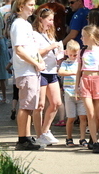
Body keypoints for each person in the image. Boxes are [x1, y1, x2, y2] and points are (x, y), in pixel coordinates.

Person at [10, 0, 45, 150]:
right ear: (21, 6)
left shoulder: (26, 24)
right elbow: (19, 50)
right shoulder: (18, 24)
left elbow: (31, 48)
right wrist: (35, 63)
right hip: (26, 71)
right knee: (25, 106)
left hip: (31, 70)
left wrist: (39, 60)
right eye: (30, 5)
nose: (33, 8)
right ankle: (22, 139)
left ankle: (26, 137)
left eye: (33, 4)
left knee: (30, 105)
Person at [32, 8, 63, 146]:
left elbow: (53, 52)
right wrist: (51, 47)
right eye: (49, 20)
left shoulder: (49, 34)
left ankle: (45, 131)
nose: (51, 23)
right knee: (40, 105)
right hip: (41, 71)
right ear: (41, 19)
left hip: (52, 71)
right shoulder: (35, 35)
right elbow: (36, 53)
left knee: (56, 102)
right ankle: (39, 135)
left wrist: (61, 55)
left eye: (52, 20)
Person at [58, 39, 88, 147]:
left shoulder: (82, 63)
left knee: (83, 117)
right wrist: (73, 72)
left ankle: (82, 138)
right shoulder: (65, 63)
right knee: (71, 117)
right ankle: (69, 138)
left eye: (75, 55)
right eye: (70, 55)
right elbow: (60, 72)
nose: (73, 57)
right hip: (68, 93)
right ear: (67, 53)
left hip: (81, 93)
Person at [75, 25, 99, 153]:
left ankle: (93, 138)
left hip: (97, 81)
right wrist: (76, 87)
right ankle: (95, 142)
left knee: (97, 115)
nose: (81, 38)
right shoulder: (82, 51)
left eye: (83, 35)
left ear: (90, 36)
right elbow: (78, 70)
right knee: (90, 113)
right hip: (85, 81)